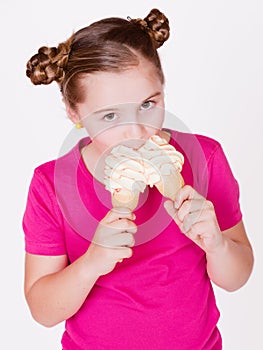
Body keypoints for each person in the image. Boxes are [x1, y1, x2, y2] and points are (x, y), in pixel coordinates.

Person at [23, 8, 254, 350]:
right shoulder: (51, 185)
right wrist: (93, 261)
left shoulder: (204, 158)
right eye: (110, 115)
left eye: (148, 104)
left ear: (163, 89)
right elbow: (42, 310)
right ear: (75, 113)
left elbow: (238, 276)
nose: (135, 131)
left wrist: (216, 244)